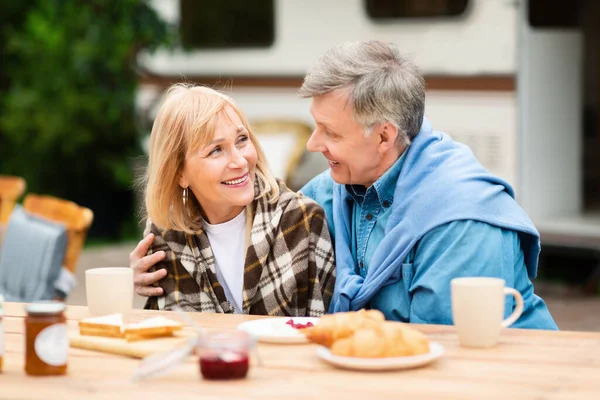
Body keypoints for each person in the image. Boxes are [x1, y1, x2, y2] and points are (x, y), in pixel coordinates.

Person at [132, 41, 557, 329]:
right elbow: (243, 218)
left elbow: (448, 358)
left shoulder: (460, 220)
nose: (314, 144)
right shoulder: (329, 193)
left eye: (329, 133)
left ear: (385, 136)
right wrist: (152, 267)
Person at [131, 83, 335, 316]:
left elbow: (324, 327)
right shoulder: (166, 234)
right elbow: (166, 332)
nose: (240, 161)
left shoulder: (301, 220)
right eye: (216, 150)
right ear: (180, 173)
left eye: (241, 139)